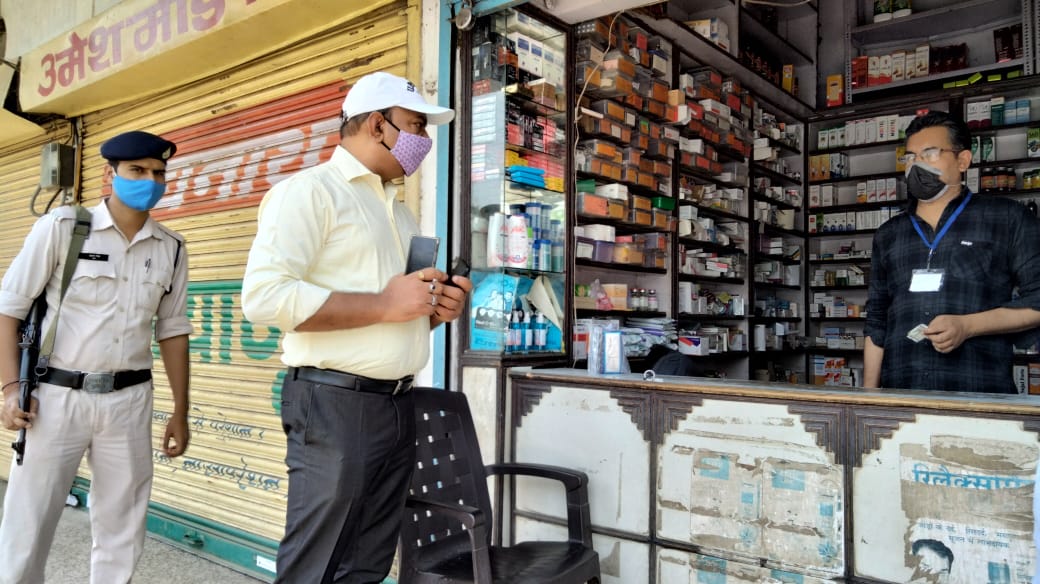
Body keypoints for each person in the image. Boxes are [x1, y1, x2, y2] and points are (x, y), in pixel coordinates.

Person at [241, 71, 472, 584]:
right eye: (416, 126)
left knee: (368, 562)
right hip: (333, 406)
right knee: (316, 565)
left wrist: (436, 311)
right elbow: (263, 298)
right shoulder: (309, 194)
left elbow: (394, 317)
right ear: (376, 124)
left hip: (397, 404)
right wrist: (385, 303)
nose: (424, 143)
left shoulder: (400, 213)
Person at [0, 130, 192, 583]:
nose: (150, 180)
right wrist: (9, 390)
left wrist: (181, 409)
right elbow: (8, 310)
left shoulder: (171, 247)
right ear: (112, 174)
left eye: (159, 173)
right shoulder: (64, 227)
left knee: (122, 527)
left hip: (129, 401)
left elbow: (173, 331)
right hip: (54, 398)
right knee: (29, 524)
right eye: (138, 171)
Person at [864, 111, 1040, 392]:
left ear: (963, 160)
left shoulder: (1007, 218)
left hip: (979, 394)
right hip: (901, 395)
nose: (916, 165)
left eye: (930, 153)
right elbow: (876, 320)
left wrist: (968, 326)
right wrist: (869, 397)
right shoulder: (889, 234)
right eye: (909, 157)